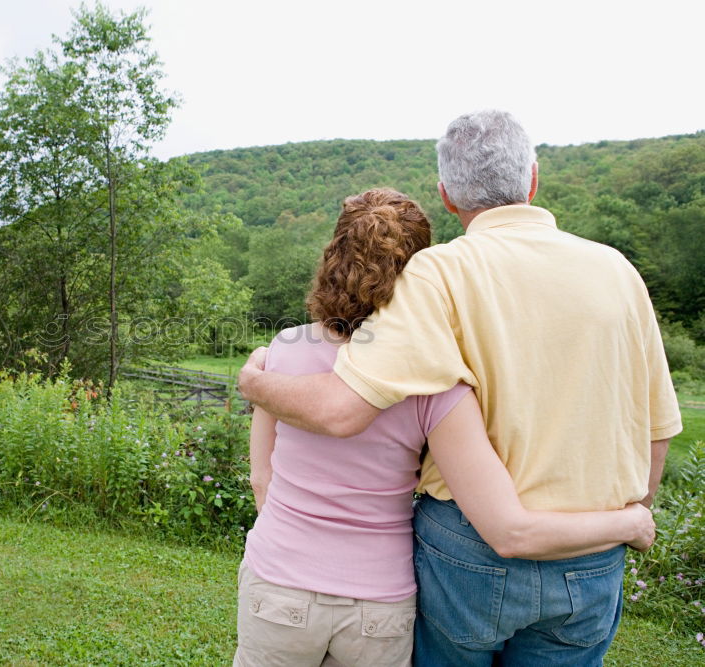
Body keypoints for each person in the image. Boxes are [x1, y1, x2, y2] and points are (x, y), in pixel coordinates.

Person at [238, 110, 683, 665]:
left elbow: (342, 410)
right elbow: (658, 424)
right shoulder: (619, 270)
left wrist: (255, 382)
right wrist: (629, 514)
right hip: (592, 548)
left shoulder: (438, 274)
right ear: (534, 178)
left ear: (447, 195)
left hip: (470, 547)